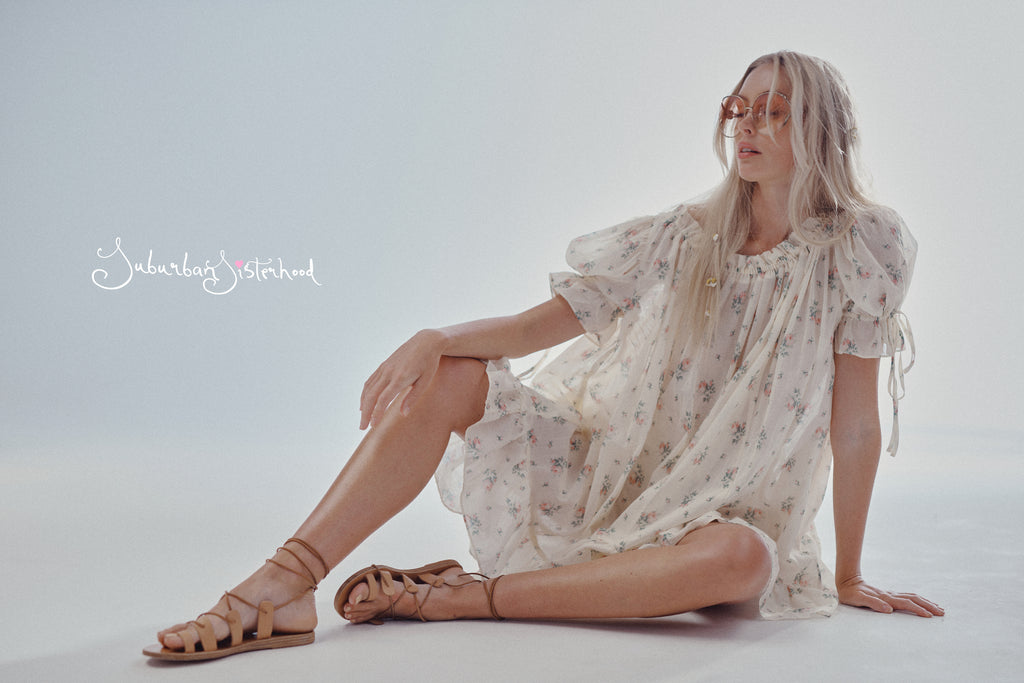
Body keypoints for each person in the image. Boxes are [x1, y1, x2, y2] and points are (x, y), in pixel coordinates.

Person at [144, 50, 943, 662]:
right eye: (740, 107)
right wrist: (436, 339)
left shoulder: (860, 248)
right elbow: (539, 328)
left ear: (820, 130)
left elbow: (854, 427)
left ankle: (462, 598)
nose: (748, 126)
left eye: (775, 111)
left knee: (743, 560)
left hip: (718, 520)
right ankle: (286, 581)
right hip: (611, 481)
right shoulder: (683, 236)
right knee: (454, 374)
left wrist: (846, 575)